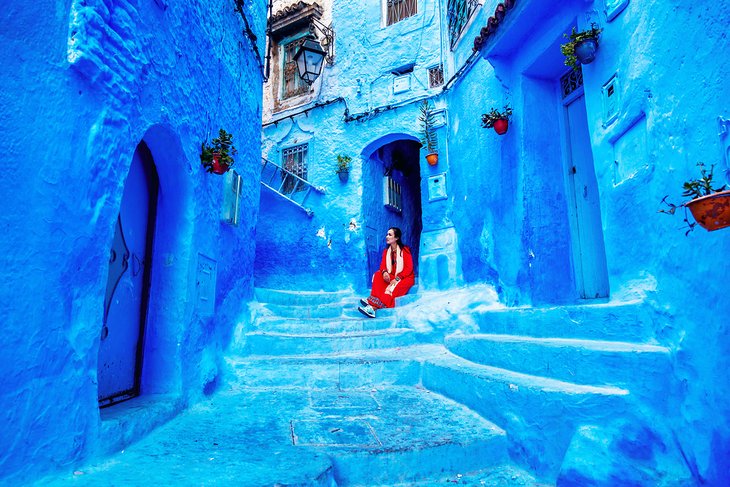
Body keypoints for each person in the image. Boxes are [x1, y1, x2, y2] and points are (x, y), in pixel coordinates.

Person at [358, 227, 415, 318]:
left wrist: (397, 278)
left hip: (405, 278)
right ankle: (372, 301)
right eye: (387, 234)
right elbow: (382, 265)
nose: (387, 236)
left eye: (390, 235)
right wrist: (384, 272)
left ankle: (372, 307)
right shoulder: (386, 252)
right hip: (392, 276)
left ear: (396, 238)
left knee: (392, 288)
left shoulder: (404, 250)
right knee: (377, 275)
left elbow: (409, 268)